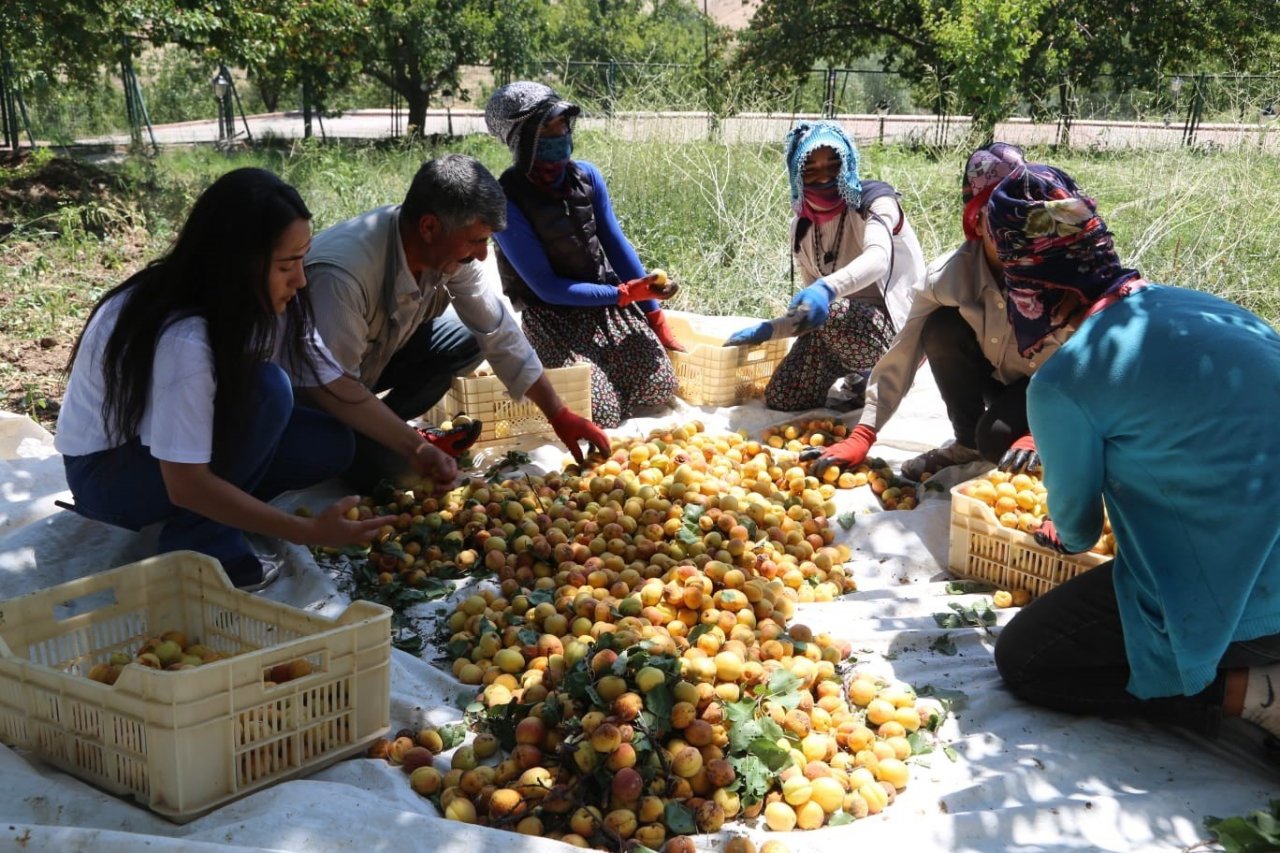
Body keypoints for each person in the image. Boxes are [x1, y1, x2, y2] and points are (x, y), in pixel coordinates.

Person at [986, 164, 1280, 748]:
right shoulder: (1206, 307)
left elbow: (1076, 531)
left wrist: (1062, 531)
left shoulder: (1066, 380)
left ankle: (1257, 694)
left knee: (1028, 657)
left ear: (1036, 290)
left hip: (1260, 603)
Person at [55, 168, 457, 590]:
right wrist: (305, 532)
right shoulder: (185, 338)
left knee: (331, 443)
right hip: (110, 477)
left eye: (303, 259)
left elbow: (333, 385)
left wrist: (416, 448)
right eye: (287, 265)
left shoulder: (266, 303)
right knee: (268, 390)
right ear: (237, 264)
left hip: (168, 458)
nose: (301, 279)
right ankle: (198, 539)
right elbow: (186, 484)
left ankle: (221, 513)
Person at [304, 154, 609, 487]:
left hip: (364, 367)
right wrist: (416, 449)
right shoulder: (342, 278)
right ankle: (365, 441)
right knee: (399, 476)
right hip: (314, 396)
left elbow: (497, 328)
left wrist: (558, 413)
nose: (481, 254)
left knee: (466, 335)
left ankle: (385, 427)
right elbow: (335, 388)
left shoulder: (443, 251)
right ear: (429, 227)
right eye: (476, 240)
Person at [807, 142, 1048, 481]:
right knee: (940, 327)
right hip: (1002, 379)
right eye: (998, 216)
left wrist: (1046, 429)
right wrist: (864, 433)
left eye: (1021, 214)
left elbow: (1087, 361)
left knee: (996, 441)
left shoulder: (1055, 268)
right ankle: (968, 443)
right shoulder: (948, 277)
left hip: (1055, 386)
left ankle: (1042, 441)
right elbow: (904, 352)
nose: (1013, 231)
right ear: (976, 223)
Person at [483, 81, 682, 429]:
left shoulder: (587, 177)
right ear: (522, 137)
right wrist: (622, 294)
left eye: (562, 123)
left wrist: (653, 314)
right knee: (602, 412)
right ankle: (549, 373)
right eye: (547, 127)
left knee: (659, 388)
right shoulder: (507, 201)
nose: (560, 133)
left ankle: (598, 374)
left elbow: (616, 246)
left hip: (604, 308)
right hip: (553, 317)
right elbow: (545, 286)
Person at [727, 120, 926, 413]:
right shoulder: (802, 227)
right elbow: (814, 312)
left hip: (891, 332)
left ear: (849, 164)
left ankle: (879, 378)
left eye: (834, 166)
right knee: (784, 398)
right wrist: (772, 330)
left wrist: (827, 288)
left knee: (834, 312)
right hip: (839, 328)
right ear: (797, 174)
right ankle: (856, 380)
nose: (823, 178)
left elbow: (878, 258)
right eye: (811, 169)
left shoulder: (875, 202)